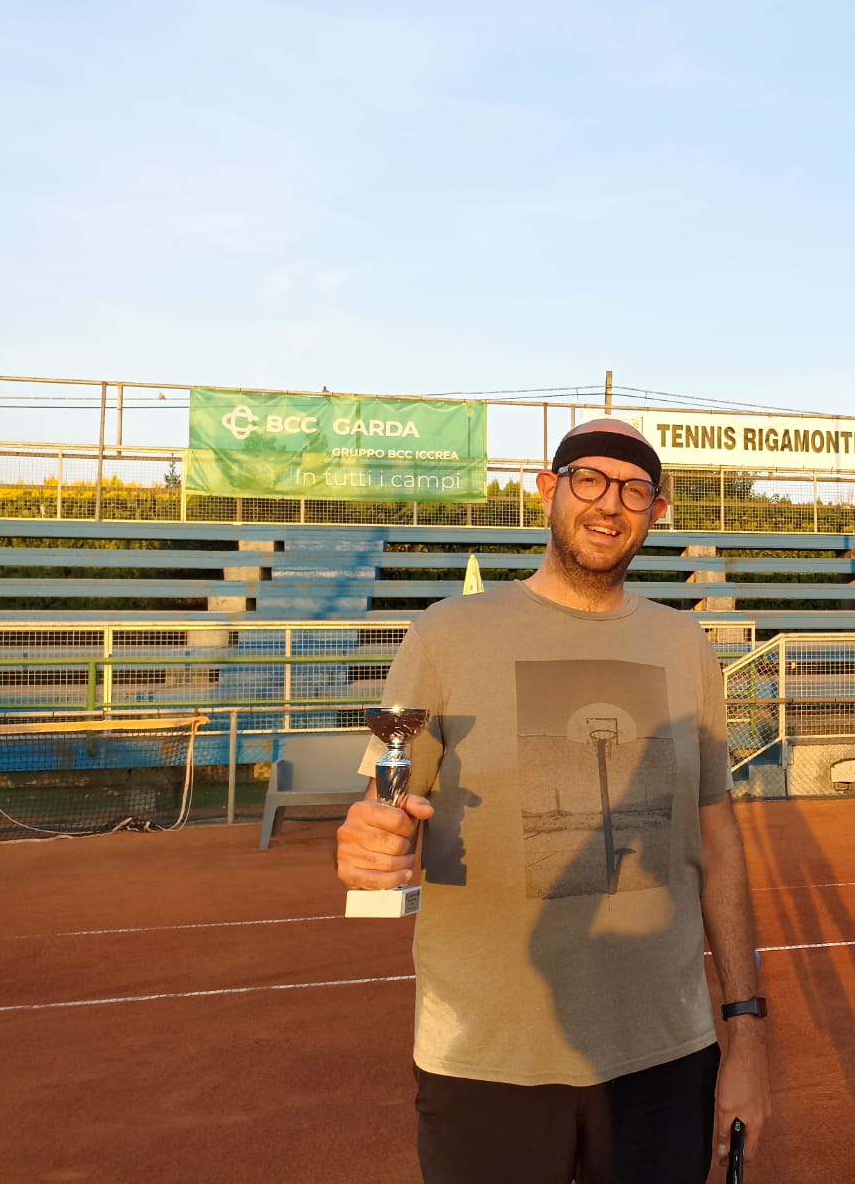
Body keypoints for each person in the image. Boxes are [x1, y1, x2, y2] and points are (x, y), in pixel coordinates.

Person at [337, 418, 772, 1184]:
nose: (611, 504)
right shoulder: (446, 635)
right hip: (485, 1061)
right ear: (548, 489)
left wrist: (744, 1029)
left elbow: (719, 844)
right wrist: (365, 841)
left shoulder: (687, 648)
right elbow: (384, 802)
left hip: (663, 1056)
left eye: (635, 489)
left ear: (658, 510)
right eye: (590, 480)